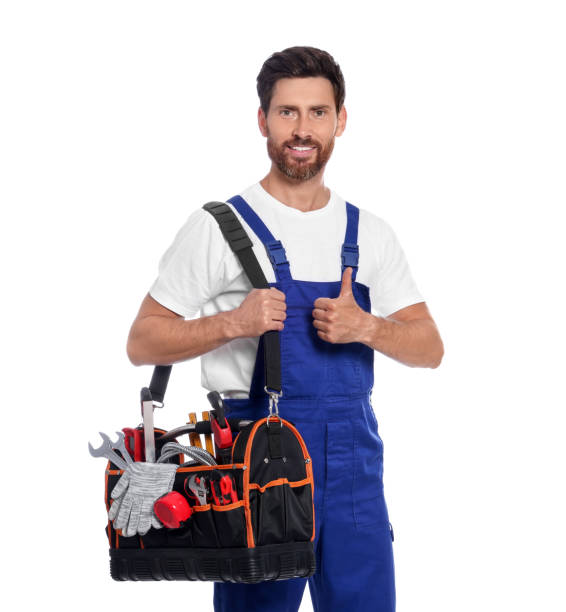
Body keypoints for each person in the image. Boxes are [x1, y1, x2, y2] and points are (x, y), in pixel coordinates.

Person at [127, 46, 444, 612]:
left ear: (341, 120)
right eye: (287, 112)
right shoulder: (219, 227)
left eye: (318, 112)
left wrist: (368, 326)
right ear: (263, 121)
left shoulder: (370, 233)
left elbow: (430, 348)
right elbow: (143, 339)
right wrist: (233, 322)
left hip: (354, 471)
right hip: (255, 466)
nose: (303, 129)